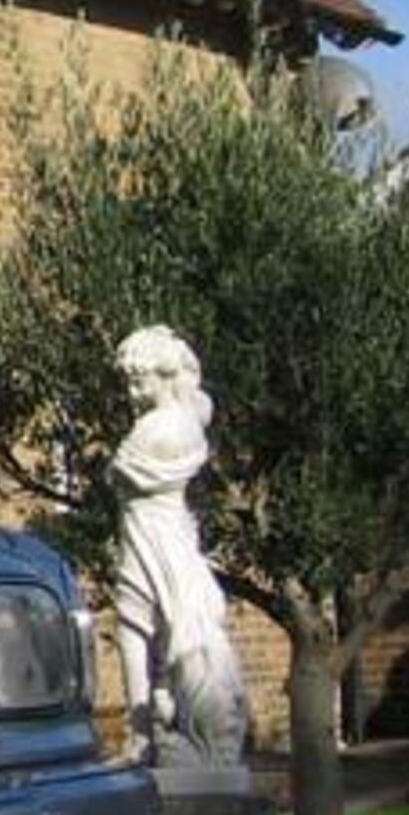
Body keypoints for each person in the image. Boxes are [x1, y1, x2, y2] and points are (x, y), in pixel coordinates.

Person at [109, 327, 251, 767]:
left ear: (164, 374)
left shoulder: (163, 427)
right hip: (144, 530)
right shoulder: (185, 417)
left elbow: (119, 473)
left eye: (139, 380)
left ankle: (150, 730)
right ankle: (143, 732)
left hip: (162, 535)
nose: (132, 391)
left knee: (157, 624)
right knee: (135, 617)